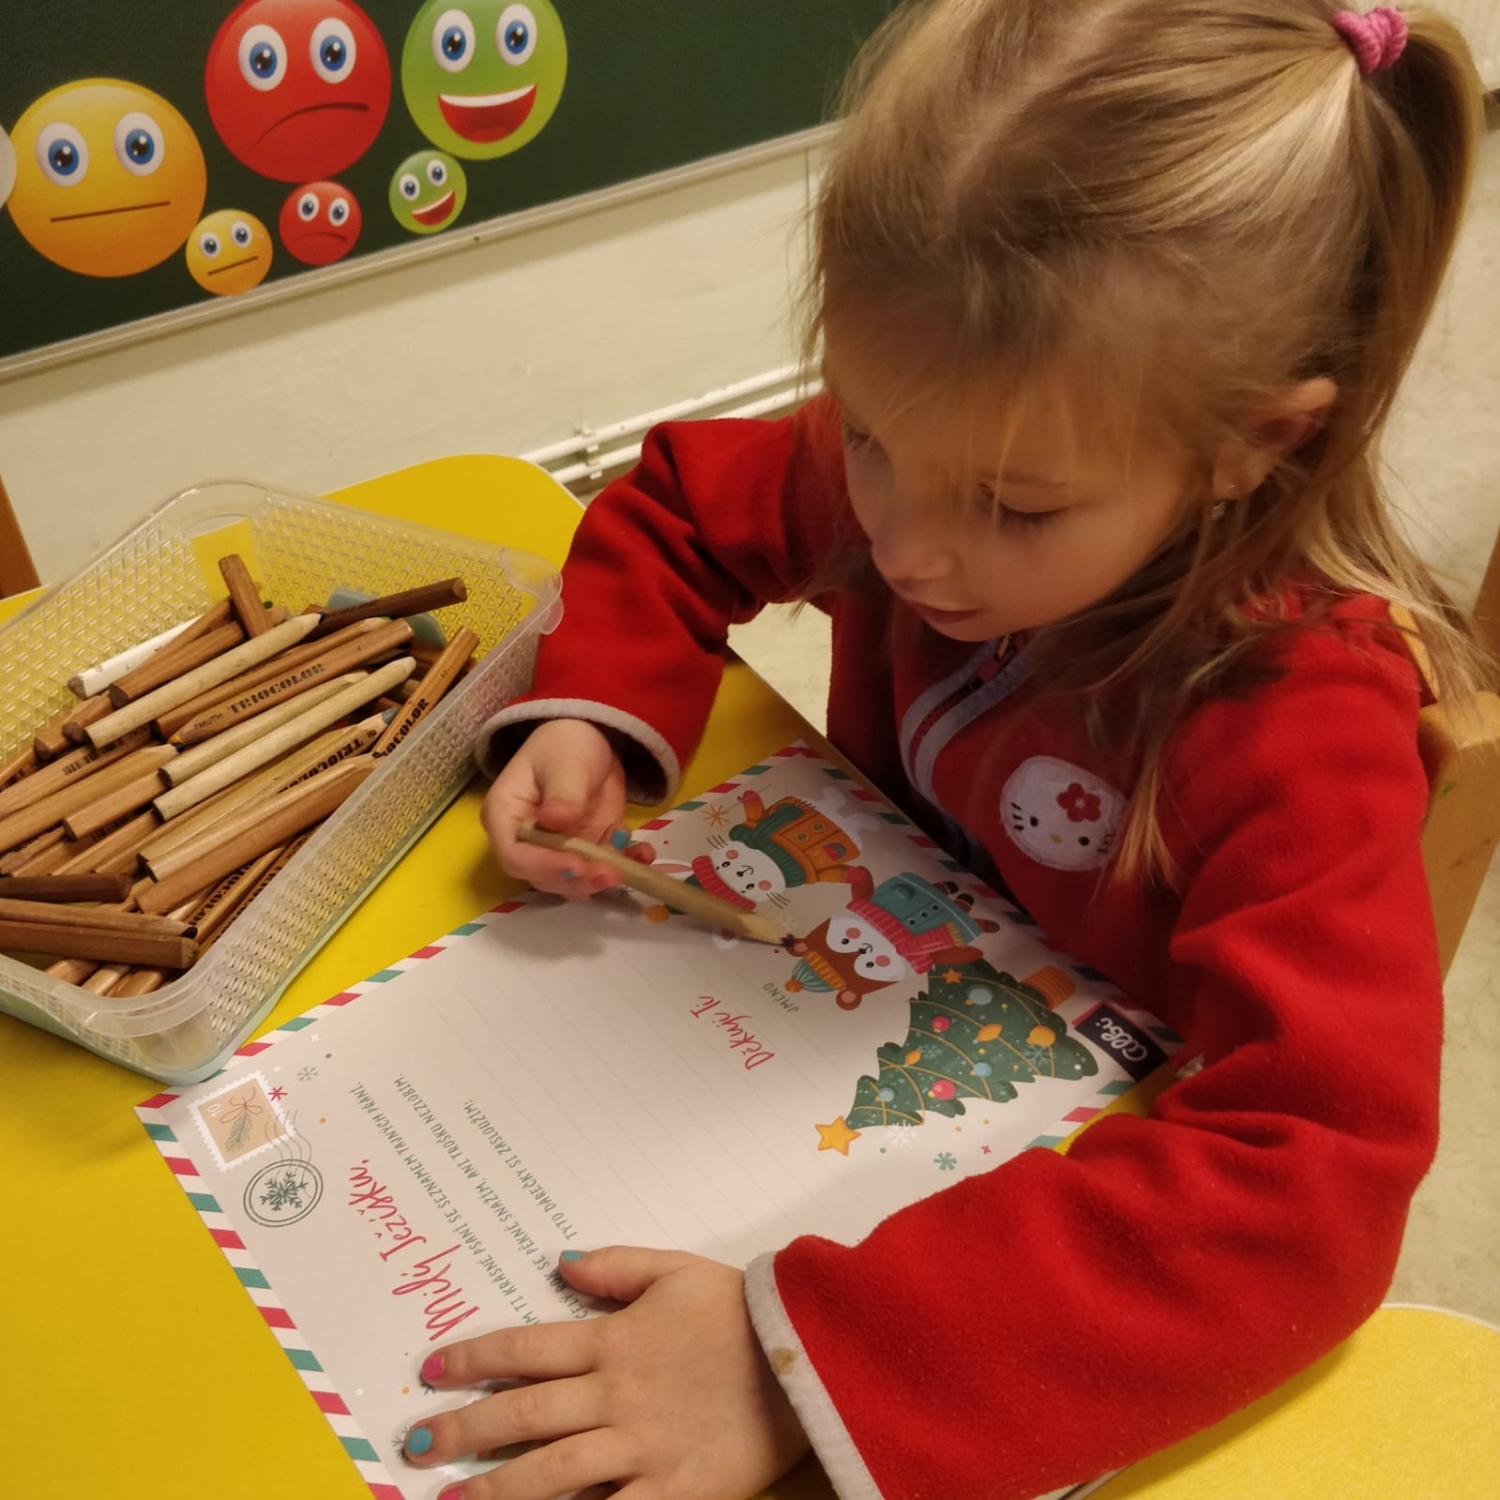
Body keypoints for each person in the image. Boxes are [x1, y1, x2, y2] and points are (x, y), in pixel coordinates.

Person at [403, 3, 1489, 1497]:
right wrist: (596, 708)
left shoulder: (1300, 719)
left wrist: (805, 1362)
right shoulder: (952, 445)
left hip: (1042, 1210)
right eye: (864, 435)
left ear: (1257, 442)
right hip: (823, 1018)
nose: (904, 544)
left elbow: (1310, 1182)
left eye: (1015, 510)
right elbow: (683, 511)